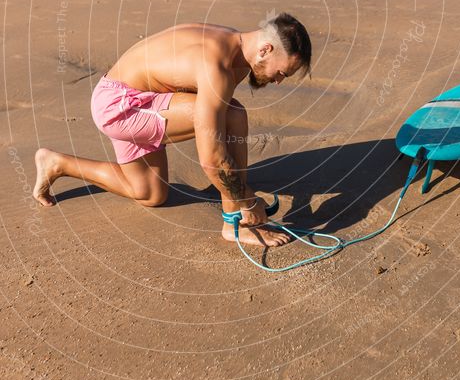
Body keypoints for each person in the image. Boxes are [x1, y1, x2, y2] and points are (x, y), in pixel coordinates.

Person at [33, 13, 312, 247]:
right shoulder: (218, 67)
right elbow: (212, 159)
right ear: (266, 49)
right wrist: (247, 201)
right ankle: (235, 225)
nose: (278, 81)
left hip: (145, 99)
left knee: (150, 193)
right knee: (233, 116)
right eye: (282, 72)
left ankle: (57, 164)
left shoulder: (236, 48)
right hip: (121, 105)